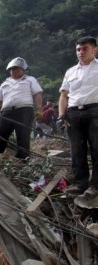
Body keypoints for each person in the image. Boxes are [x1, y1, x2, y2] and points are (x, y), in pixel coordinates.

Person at [59, 36, 98, 197]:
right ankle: (80, 184)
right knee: (76, 151)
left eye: (85, 49)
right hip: (73, 114)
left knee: (97, 150)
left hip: (95, 111)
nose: (81, 52)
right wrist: (62, 115)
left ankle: (95, 186)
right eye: (78, 49)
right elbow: (63, 96)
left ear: (94, 49)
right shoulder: (71, 72)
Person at [0, 57, 43, 160]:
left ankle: (23, 161)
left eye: (17, 69)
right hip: (6, 112)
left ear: (23, 70)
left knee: (23, 136)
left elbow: (37, 94)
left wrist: (39, 109)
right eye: (12, 69)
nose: (14, 71)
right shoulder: (4, 84)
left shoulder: (30, 80)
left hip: (24, 111)